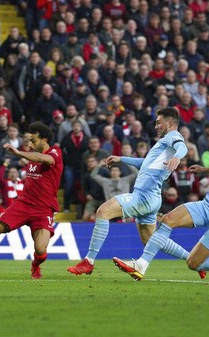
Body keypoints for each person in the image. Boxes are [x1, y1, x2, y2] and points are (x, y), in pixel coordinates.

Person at [113, 118, 209, 281]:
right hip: (207, 206)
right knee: (167, 219)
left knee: (193, 263)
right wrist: (205, 170)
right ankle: (141, 265)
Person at [68, 107, 197, 277]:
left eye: (159, 122)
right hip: (152, 197)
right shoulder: (164, 143)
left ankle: (88, 261)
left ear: (170, 123)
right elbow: (146, 163)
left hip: (144, 195)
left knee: (102, 211)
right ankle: (194, 259)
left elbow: (183, 148)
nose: (156, 126)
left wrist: (177, 157)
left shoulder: (173, 136)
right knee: (151, 241)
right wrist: (122, 159)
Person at [0, 122, 63, 279]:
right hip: (23, 204)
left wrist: (18, 152)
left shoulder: (55, 151)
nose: (30, 144)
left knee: (41, 250)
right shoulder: (32, 159)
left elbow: (45, 159)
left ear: (44, 139)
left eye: (33, 140)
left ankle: (35, 265)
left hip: (44, 209)